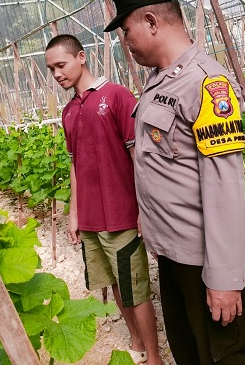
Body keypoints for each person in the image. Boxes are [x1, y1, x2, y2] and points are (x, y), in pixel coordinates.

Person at [104, 0, 245, 364]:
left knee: (225, 354)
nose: (126, 42)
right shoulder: (158, 81)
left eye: (126, 32)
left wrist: (225, 279)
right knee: (189, 349)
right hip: (173, 251)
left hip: (204, 256)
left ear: (152, 21)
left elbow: (224, 188)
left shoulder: (206, 83)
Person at [45, 34, 162, 365]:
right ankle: (137, 346)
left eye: (61, 65)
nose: (57, 74)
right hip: (91, 220)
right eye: (51, 69)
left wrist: (144, 207)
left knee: (135, 290)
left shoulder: (117, 96)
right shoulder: (69, 111)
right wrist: (73, 214)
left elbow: (139, 155)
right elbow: (75, 164)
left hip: (122, 215)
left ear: (81, 57)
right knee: (112, 285)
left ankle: (154, 358)